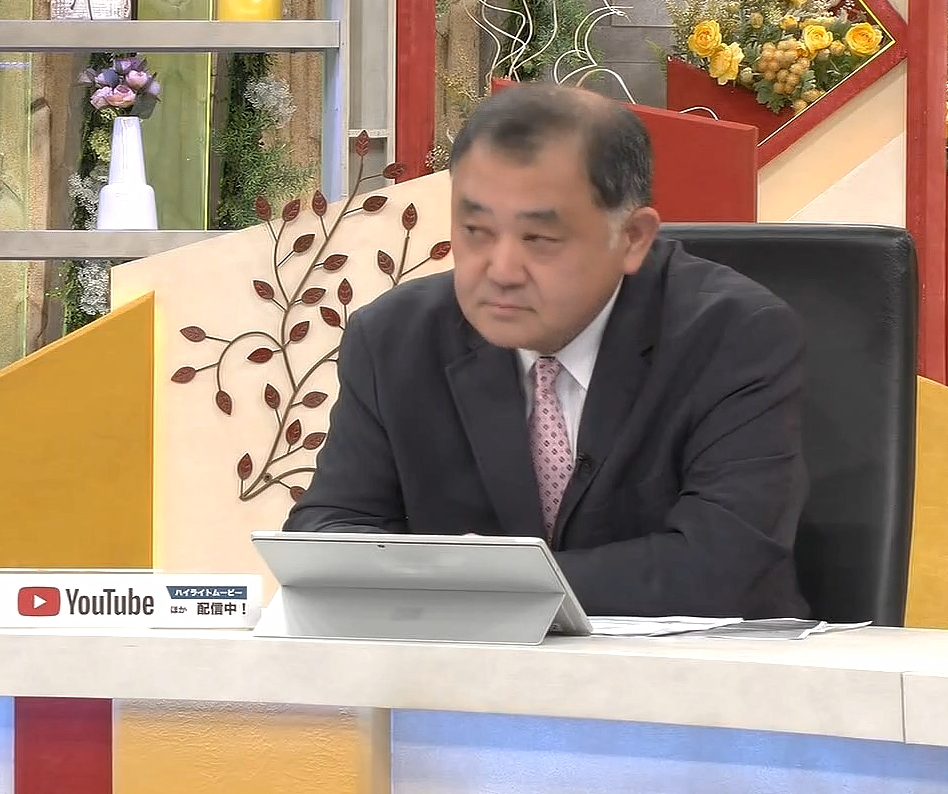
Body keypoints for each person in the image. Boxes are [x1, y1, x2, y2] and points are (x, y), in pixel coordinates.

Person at [284, 83, 808, 618]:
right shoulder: (394, 338)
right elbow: (329, 534)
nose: (501, 271)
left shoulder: (733, 334)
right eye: (475, 231)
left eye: (539, 239)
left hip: (697, 668)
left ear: (632, 238)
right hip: (464, 667)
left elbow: (726, 563)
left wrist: (479, 583)